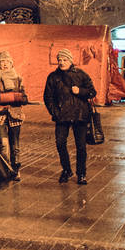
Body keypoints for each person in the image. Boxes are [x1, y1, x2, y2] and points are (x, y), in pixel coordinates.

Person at [43, 47, 96, 184]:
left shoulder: (80, 74)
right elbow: (48, 97)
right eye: (59, 60)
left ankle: (81, 173)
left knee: (81, 147)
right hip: (62, 116)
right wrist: (55, 112)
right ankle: (66, 170)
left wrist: (80, 91)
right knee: (60, 143)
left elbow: (92, 92)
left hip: (80, 115)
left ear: (70, 60)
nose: (62, 62)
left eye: (65, 59)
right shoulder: (53, 77)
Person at [0, 50, 26, 179]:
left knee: (15, 144)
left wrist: (17, 97)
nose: (5, 64)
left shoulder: (18, 77)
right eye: (2, 62)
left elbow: (24, 96)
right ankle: (6, 169)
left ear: (11, 63)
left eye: (7, 61)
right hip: (0, 113)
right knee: (3, 143)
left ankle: (16, 169)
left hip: (15, 114)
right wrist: (3, 98)